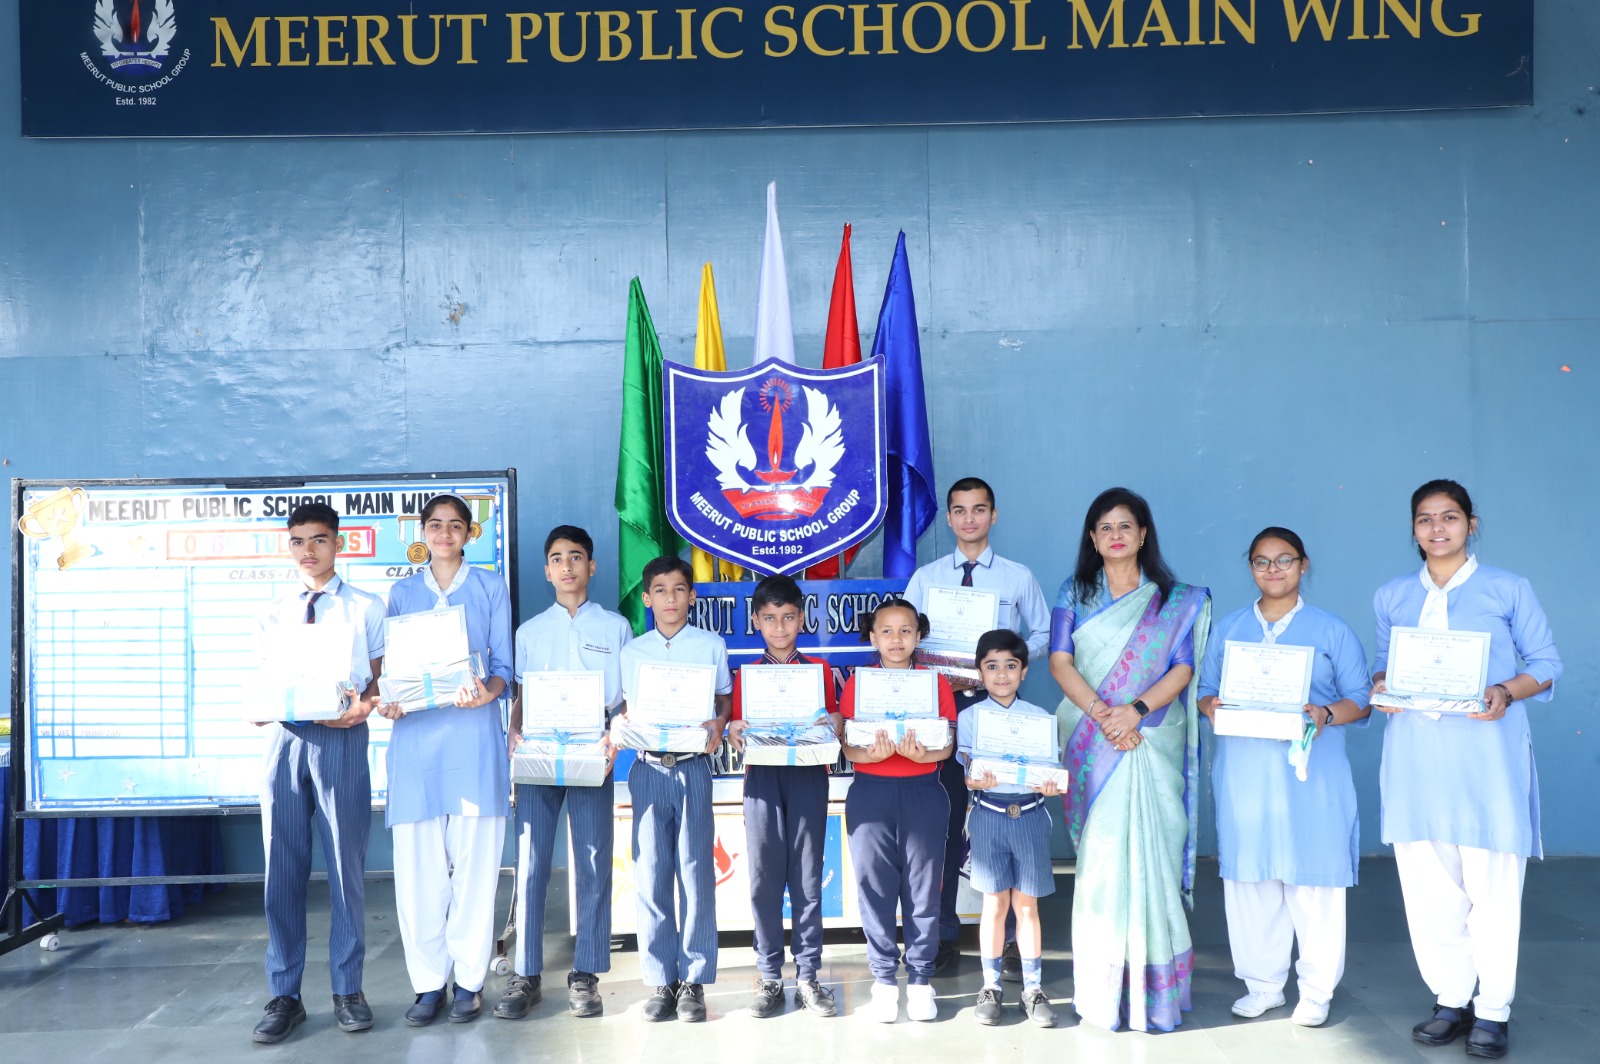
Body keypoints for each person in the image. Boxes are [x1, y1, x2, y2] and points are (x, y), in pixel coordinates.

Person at [1371, 480, 1562, 1059]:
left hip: (1487, 762)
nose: (1437, 528)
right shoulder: (1392, 595)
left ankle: (1494, 1010)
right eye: (1425, 519)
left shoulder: (1507, 588)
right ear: (1413, 528)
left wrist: (1505, 690)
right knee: (1430, 893)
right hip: (1415, 761)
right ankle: (1451, 999)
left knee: (1493, 893)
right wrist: (1382, 685)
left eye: (1449, 517)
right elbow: (1382, 666)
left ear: (1470, 524)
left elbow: (1546, 663)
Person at [1048, 487, 1209, 1032]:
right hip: (1094, 739)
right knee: (1101, 865)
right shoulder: (1075, 591)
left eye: (1125, 525)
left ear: (1143, 534)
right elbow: (1060, 661)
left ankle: (1154, 996)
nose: (1115, 535)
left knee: (1152, 860)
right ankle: (1102, 993)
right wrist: (1104, 715)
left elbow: (1183, 668)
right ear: (1092, 538)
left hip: (1151, 737)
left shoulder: (1172, 599)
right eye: (1105, 527)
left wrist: (1135, 712)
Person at [1196, 527, 1371, 1029]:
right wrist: (1212, 706)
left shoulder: (1331, 630)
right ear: (1251, 567)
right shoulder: (1229, 628)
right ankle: (1264, 986)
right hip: (1245, 774)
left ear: (1303, 564)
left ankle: (1315, 992)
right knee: (1250, 881)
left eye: (1284, 560)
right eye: (1262, 561)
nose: (1273, 570)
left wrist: (1325, 714)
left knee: (1313, 882)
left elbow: (1361, 700)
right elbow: (1205, 690)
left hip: (1312, 777)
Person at [901, 477, 1051, 976]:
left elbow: (1044, 631)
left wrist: (1007, 663)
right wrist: (934, 666)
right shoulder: (926, 578)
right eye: (960, 510)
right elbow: (905, 634)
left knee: (1010, 817)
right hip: (944, 709)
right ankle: (943, 935)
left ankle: (1011, 943)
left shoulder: (1016, 577)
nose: (970, 519)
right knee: (944, 828)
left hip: (1000, 708)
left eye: (979, 509)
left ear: (994, 515)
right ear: (948, 518)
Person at [251, 503, 387, 1044]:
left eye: (319, 539)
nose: (308, 550)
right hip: (283, 740)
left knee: (345, 868)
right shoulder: (273, 612)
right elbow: (265, 679)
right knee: (281, 869)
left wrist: (363, 709)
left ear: (339, 543)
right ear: (289, 546)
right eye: (298, 541)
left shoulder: (366, 607)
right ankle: (284, 994)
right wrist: (258, 705)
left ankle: (348, 990)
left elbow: (377, 681)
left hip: (341, 739)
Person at [377, 494, 514, 1026]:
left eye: (455, 525)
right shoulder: (402, 592)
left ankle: (469, 984)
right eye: (435, 525)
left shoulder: (489, 587)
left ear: (469, 533)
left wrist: (487, 694)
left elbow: (503, 668)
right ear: (422, 531)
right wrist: (390, 701)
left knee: (475, 874)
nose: (444, 534)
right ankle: (428, 985)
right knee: (419, 875)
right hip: (415, 745)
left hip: (473, 738)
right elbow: (393, 672)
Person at [495, 526, 632, 1021]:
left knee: (593, 860)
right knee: (531, 861)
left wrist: (615, 734)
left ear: (591, 566)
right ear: (547, 571)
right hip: (538, 751)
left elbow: (624, 697)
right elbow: (521, 694)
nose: (567, 566)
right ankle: (526, 974)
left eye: (576, 557)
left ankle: (586, 973)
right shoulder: (530, 632)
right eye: (557, 558)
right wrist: (514, 731)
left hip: (593, 748)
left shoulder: (615, 627)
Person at [617, 555, 733, 1023]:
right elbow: (626, 707)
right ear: (647, 598)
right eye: (661, 590)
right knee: (651, 875)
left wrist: (719, 723)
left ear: (692, 595)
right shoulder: (632, 652)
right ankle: (661, 979)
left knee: (696, 873)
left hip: (692, 769)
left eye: (679, 589)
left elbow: (723, 697)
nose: (670, 598)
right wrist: (622, 723)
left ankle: (694, 981)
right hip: (648, 769)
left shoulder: (710, 645)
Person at [727, 575, 842, 1018]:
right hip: (763, 780)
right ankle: (770, 975)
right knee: (764, 879)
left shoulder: (819, 672)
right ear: (756, 621)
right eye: (770, 618)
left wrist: (834, 720)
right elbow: (737, 730)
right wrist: (734, 730)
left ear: (802, 619)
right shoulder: (745, 677)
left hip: (808, 776)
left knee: (808, 877)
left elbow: (834, 721)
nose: (779, 627)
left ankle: (808, 975)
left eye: (788, 617)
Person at [839, 600, 958, 1024]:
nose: (896, 639)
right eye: (886, 631)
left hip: (924, 792)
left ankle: (921, 980)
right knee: (875, 889)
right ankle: (885, 982)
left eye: (905, 630)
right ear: (872, 637)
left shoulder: (936, 683)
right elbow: (848, 747)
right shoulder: (858, 683)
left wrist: (925, 754)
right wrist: (869, 755)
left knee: (924, 890)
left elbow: (947, 746)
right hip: (870, 793)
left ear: (918, 636)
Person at [956, 630, 1059, 1028]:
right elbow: (968, 769)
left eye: (1011, 666)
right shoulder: (970, 718)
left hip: (1030, 814)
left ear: (1024, 671)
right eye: (992, 666)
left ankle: (1033, 989)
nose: (1001, 675)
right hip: (988, 815)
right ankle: (991, 986)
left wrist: (1049, 783)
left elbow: (1049, 769)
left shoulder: (1039, 718)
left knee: (1027, 906)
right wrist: (972, 778)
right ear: (979, 672)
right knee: (995, 905)